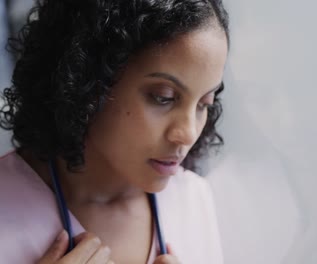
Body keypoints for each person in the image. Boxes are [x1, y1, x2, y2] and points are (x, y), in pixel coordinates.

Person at [0, 0, 229, 263]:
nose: (188, 133)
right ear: (89, 79)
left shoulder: (194, 200)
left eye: (204, 104)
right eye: (163, 97)